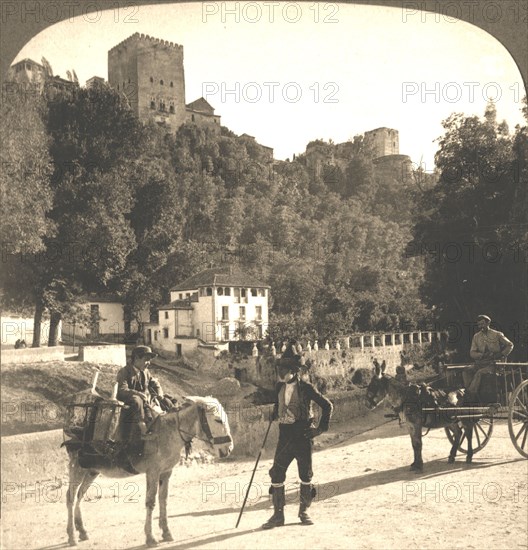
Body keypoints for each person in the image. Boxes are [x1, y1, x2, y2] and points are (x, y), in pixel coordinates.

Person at [262, 349, 333, 529]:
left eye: (285, 370)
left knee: (305, 474)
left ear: (295, 370)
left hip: (302, 435)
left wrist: (319, 429)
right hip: (285, 436)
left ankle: (304, 512)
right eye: (280, 370)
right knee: (277, 473)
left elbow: (327, 406)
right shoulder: (279, 387)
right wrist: (274, 414)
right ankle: (278, 516)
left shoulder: (306, 388)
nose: (281, 373)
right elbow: (279, 405)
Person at [116, 345, 167, 439]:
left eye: (150, 360)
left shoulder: (145, 372)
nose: (149, 363)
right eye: (146, 359)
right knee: (137, 399)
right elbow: (122, 390)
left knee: (168, 400)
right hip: (130, 402)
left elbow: (155, 383)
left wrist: (160, 394)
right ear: (136, 358)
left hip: (144, 402)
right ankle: (143, 428)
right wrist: (138, 393)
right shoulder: (124, 371)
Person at [464, 315, 514, 400]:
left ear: (488, 323)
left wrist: (501, 354)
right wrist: (481, 355)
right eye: (479, 325)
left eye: (483, 324)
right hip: (481, 363)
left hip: (495, 364)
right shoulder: (476, 336)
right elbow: (472, 352)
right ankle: (470, 392)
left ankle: (470, 395)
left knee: (480, 373)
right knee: (466, 370)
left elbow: (510, 345)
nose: (481, 327)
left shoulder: (497, 334)